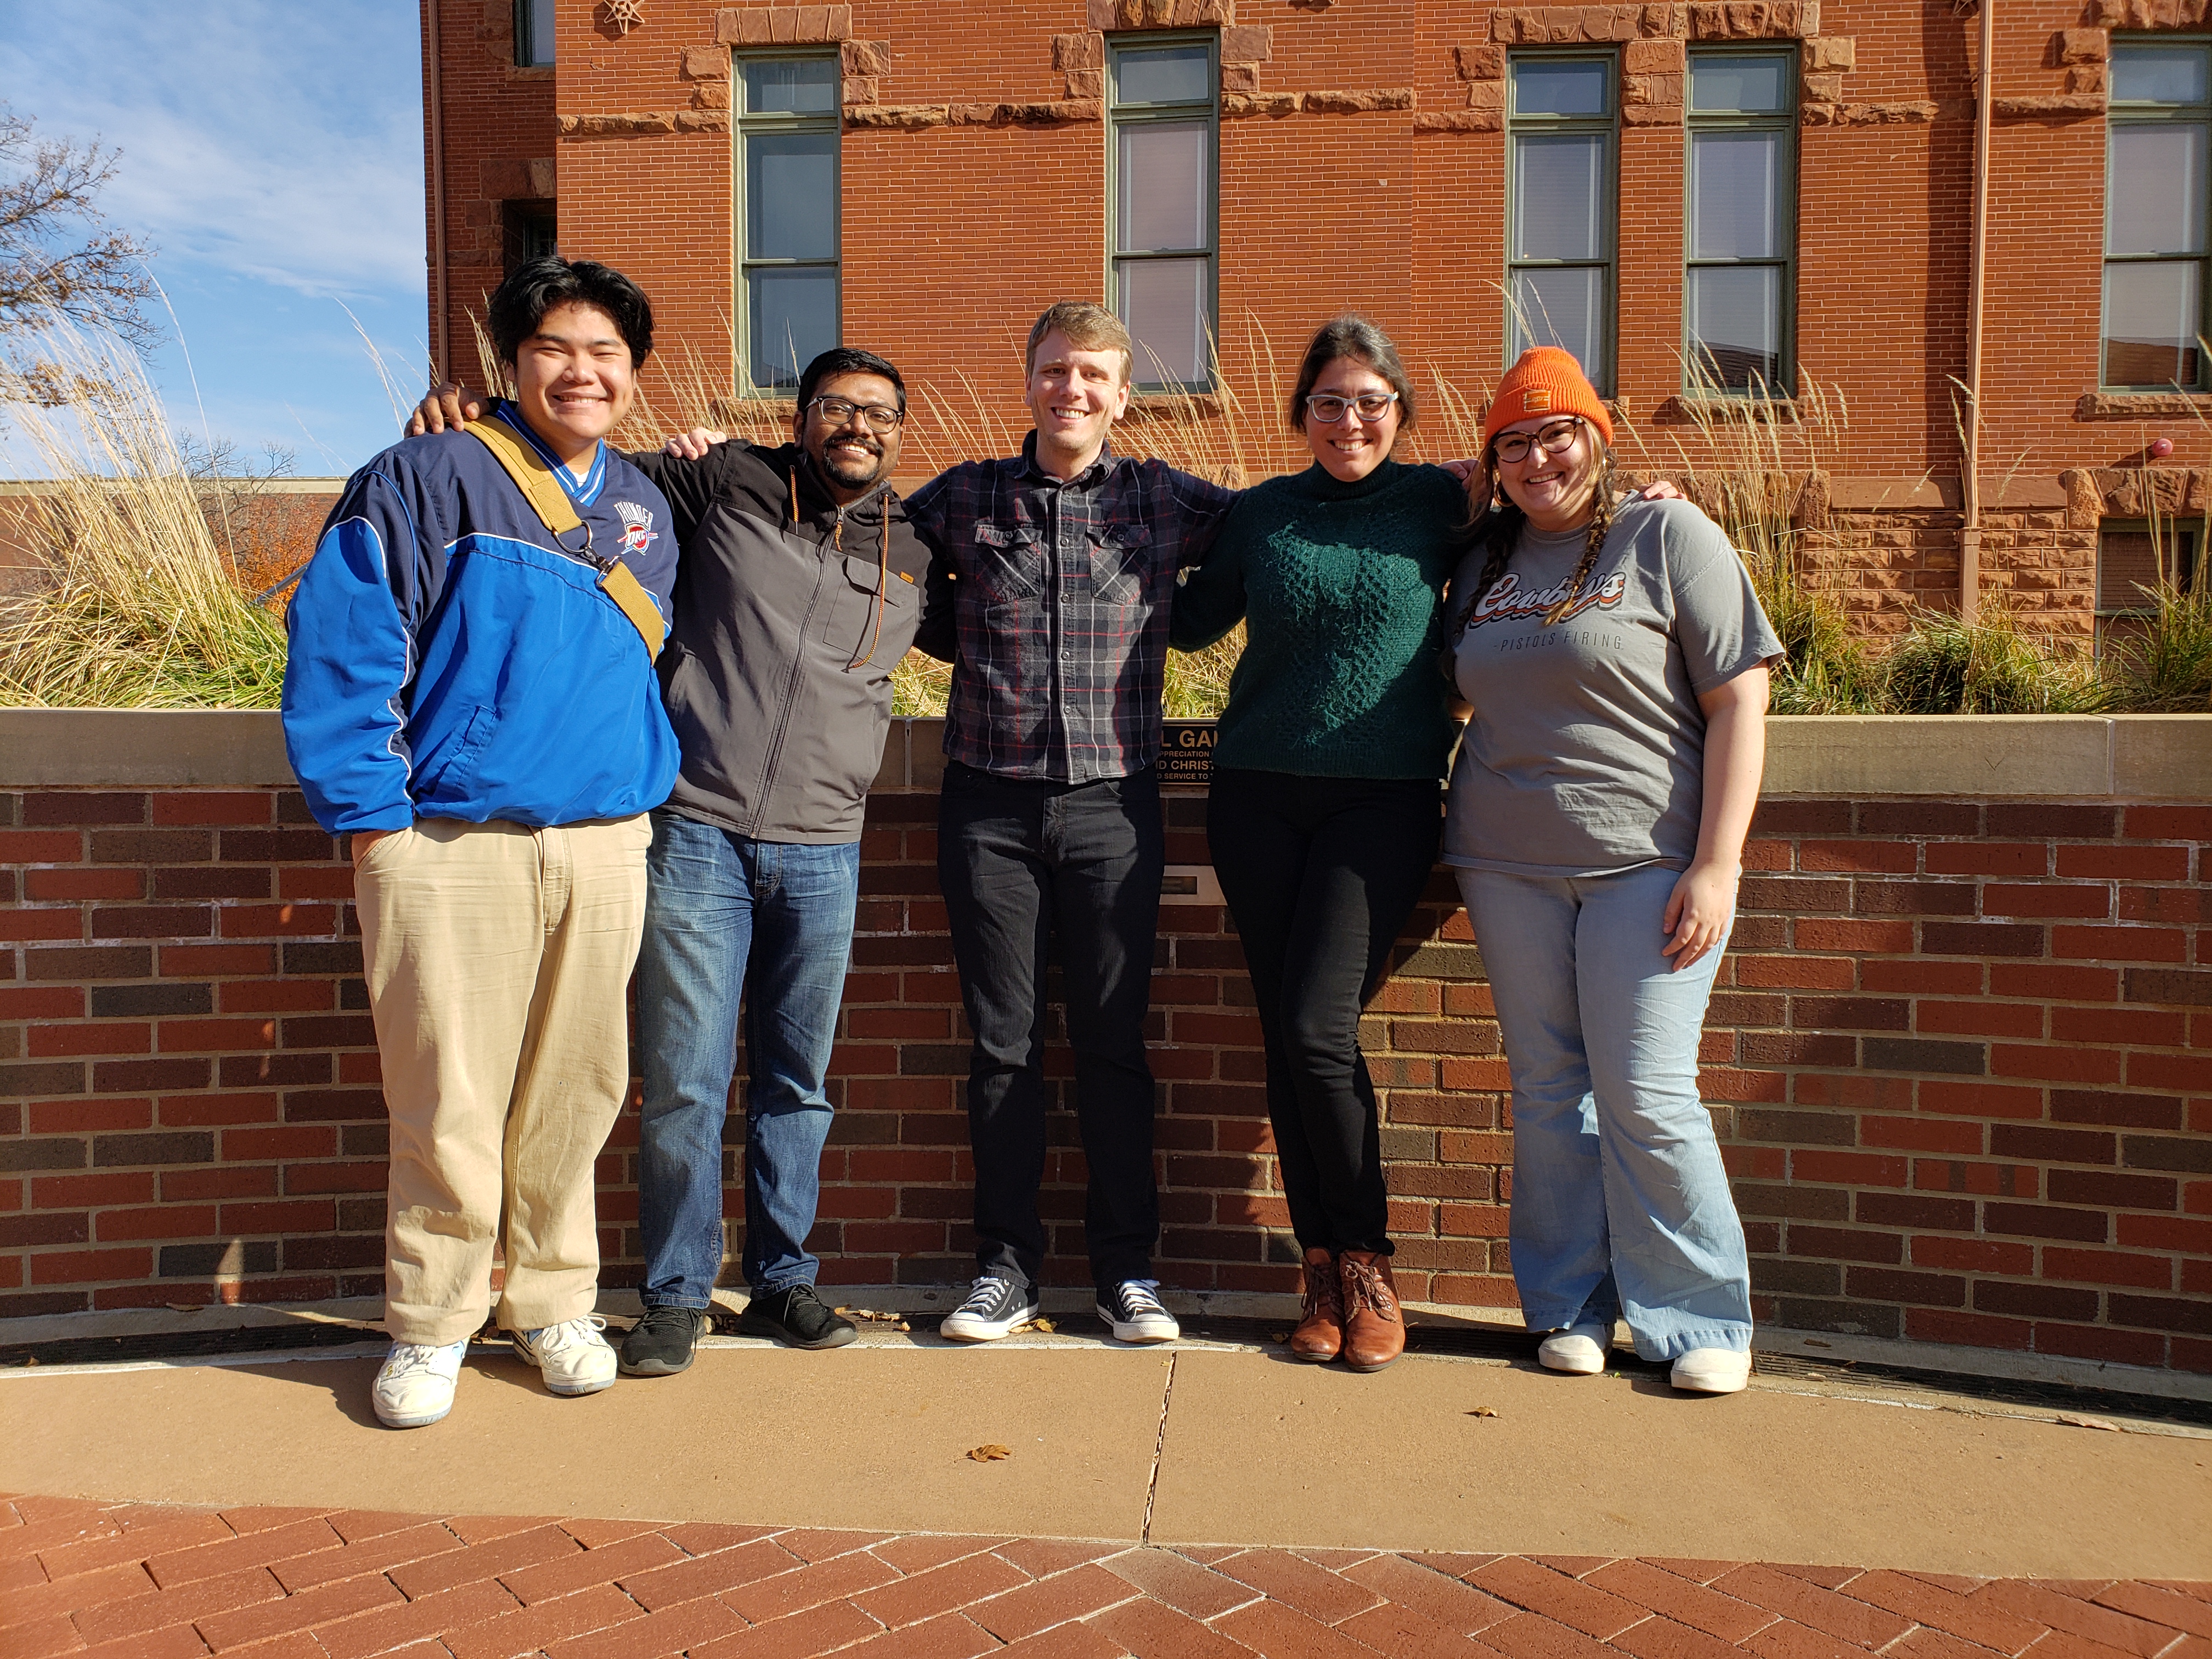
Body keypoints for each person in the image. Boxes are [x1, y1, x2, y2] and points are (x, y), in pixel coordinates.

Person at [407, 348, 935, 1376]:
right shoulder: (721, 478)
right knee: (686, 1082)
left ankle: (784, 1282)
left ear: (900, 430)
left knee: (798, 1082)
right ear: (803, 415)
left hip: (827, 847)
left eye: (880, 413)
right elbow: (572, 468)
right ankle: (677, 1295)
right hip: (697, 828)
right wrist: (476, 413)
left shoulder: (916, 542)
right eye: (837, 406)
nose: (858, 427)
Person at [283, 256, 679, 1428]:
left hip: (605, 842)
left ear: (634, 373)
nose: (583, 369)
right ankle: (434, 1322)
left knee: (580, 1089)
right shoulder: (423, 475)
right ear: (509, 360)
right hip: (448, 843)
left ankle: (554, 1301)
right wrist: (374, 826)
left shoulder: (649, 507)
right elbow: (347, 646)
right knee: (446, 1094)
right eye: (558, 346)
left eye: (607, 352)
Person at [1443, 346, 1781, 1395]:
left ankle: (1698, 1316)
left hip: (1647, 861)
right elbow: (1461, 698)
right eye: (1516, 443)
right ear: (1493, 462)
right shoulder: (1481, 563)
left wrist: (1718, 864)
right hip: (1505, 863)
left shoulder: (1666, 532)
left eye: (1559, 433)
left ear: (1597, 435)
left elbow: (1740, 700)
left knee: (1647, 1092)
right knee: (1549, 1092)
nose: (1540, 457)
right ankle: (1569, 1306)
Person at [906, 301, 1239, 1345]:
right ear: (1029, 381)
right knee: (1001, 1048)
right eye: (1055, 372)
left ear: (1122, 395)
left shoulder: (1162, 497)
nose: (1073, 392)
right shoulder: (964, 496)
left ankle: (1124, 1271)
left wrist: (1186, 623)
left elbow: (1282, 531)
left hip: (1115, 807)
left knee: (1112, 1045)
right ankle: (1003, 1269)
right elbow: (860, 549)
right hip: (987, 805)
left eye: (1094, 376)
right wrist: (954, 637)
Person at [1169, 317, 1465, 1373]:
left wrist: (1645, 502)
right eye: (1332, 401)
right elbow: (1191, 625)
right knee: (1284, 1039)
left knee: (1314, 1028)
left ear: (1402, 414)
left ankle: (1370, 1261)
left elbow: (1554, 510)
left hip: (1380, 802)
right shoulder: (1263, 514)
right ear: (1302, 414)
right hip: (1255, 796)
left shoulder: (1441, 501)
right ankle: (1322, 1273)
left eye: (1373, 401)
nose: (1352, 420)